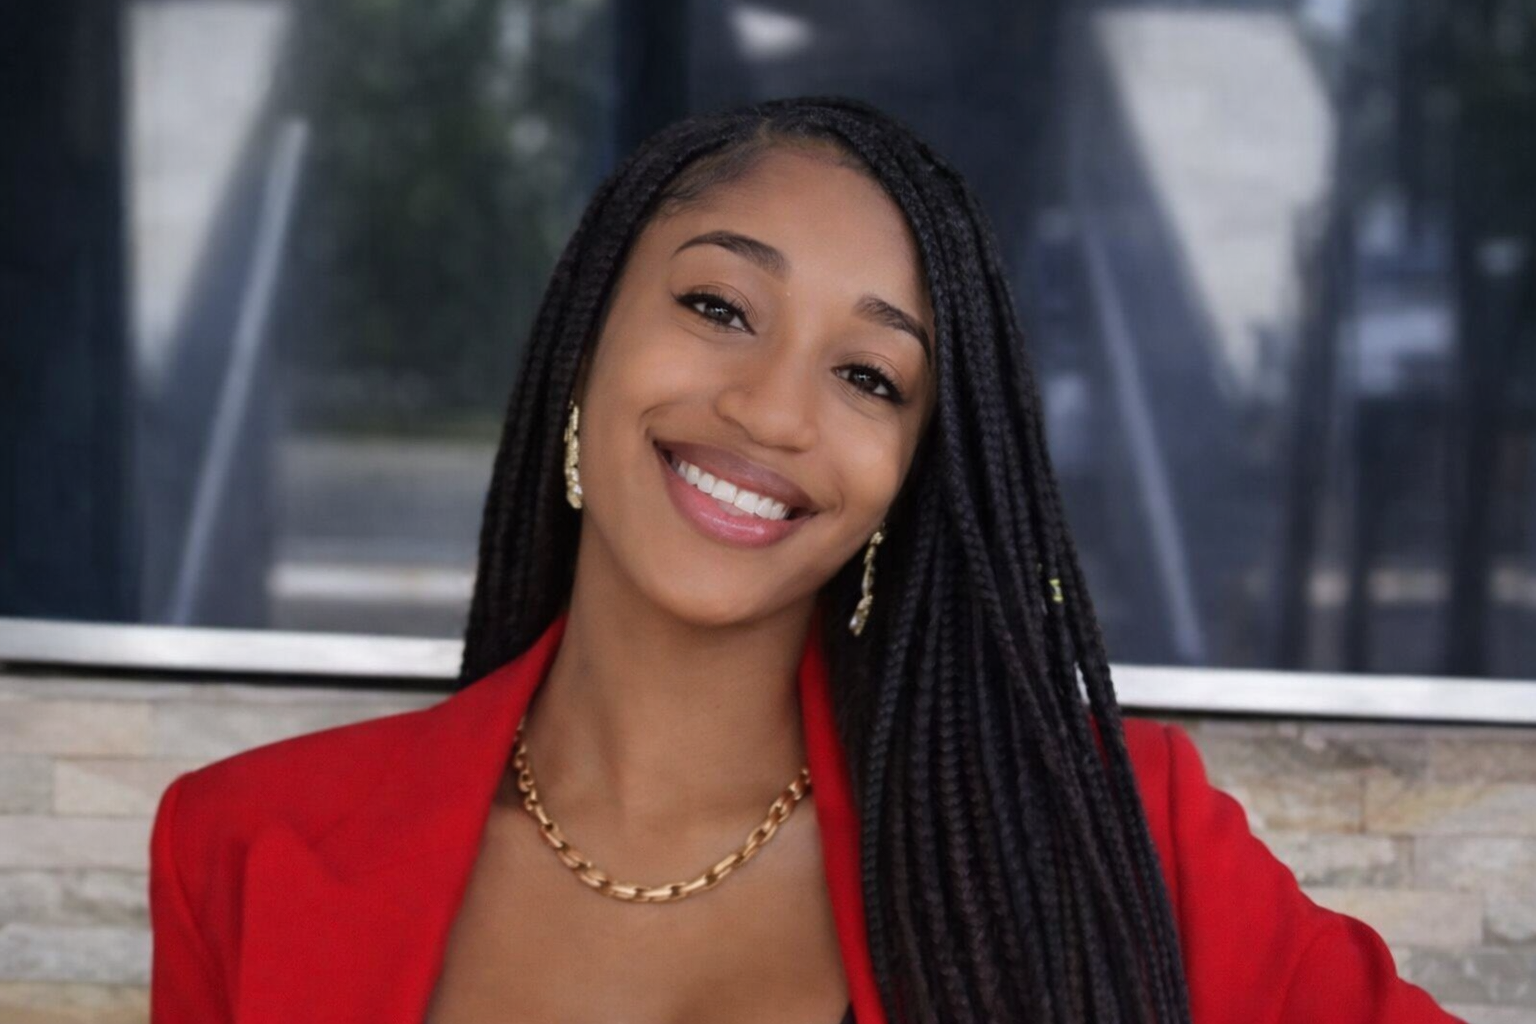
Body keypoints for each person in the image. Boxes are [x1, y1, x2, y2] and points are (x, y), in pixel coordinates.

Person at [148, 95, 1464, 1024]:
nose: (774, 412)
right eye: (719, 306)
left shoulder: (1100, 834)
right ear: (583, 342)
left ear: (909, 475)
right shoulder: (246, 848)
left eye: (869, 376)